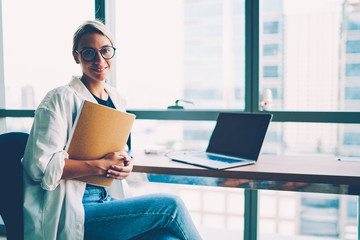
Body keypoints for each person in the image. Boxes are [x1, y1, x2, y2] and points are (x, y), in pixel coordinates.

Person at [22, 20, 202, 240]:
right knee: (171, 206)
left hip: (109, 199)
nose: (99, 60)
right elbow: (37, 167)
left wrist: (126, 166)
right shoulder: (59, 98)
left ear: (112, 52)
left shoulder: (116, 98)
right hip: (75, 207)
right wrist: (99, 166)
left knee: (168, 238)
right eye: (89, 52)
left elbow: (118, 152)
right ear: (76, 56)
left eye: (105, 51)